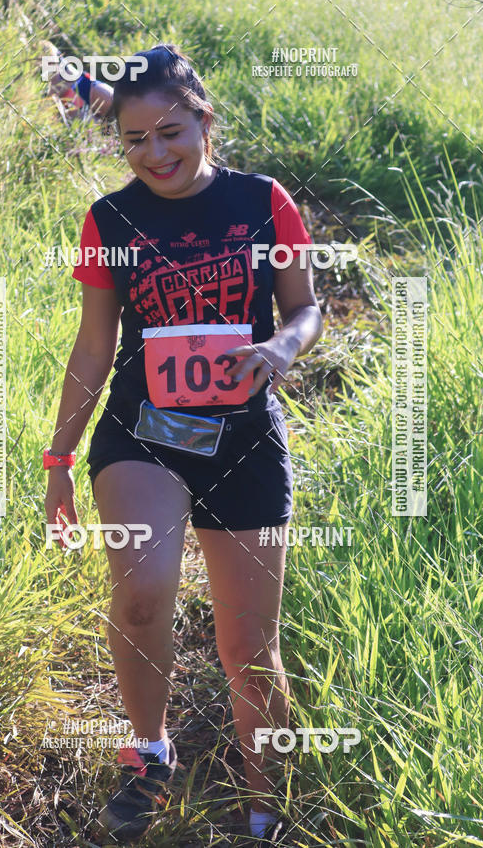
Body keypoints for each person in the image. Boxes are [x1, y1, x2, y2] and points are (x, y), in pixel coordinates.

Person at [44, 43, 323, 845]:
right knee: (141, 592)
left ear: (203, 119)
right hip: (140, 432)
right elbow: (94, 348)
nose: (155, 153)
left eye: (171, 132)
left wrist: (279, 350)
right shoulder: (110, 218)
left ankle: (265, 798)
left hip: (245, 435)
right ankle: (149, 753)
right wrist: (59, 459)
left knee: (247, 643)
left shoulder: (262, 201)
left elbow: (305, 308)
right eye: (136, 140)